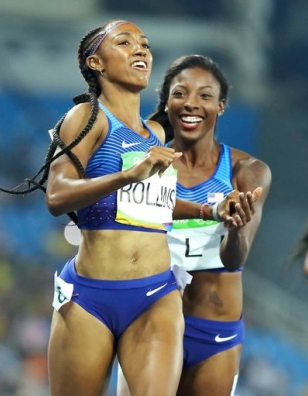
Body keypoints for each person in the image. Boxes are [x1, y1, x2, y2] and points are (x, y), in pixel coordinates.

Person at [0, 20, 261, 396]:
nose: (141, 49)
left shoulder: (157, 135)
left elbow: (152, 207)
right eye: (125, 42)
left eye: (144, 44)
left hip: (156, 295)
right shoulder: (88, 118)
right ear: (95, 62)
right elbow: (57, 196)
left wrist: (210, 212)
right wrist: (130, 175)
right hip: (90, 298)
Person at [117, 54, 271, 396]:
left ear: (221, 106)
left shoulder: (247, 171)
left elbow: (234, 260)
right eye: (181, 93)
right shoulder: (142, 164)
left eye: (204, 95)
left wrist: (234, 227)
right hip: (148, 322)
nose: (192, 104)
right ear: (167, 103)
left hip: (214, 333)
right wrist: (208, 211)